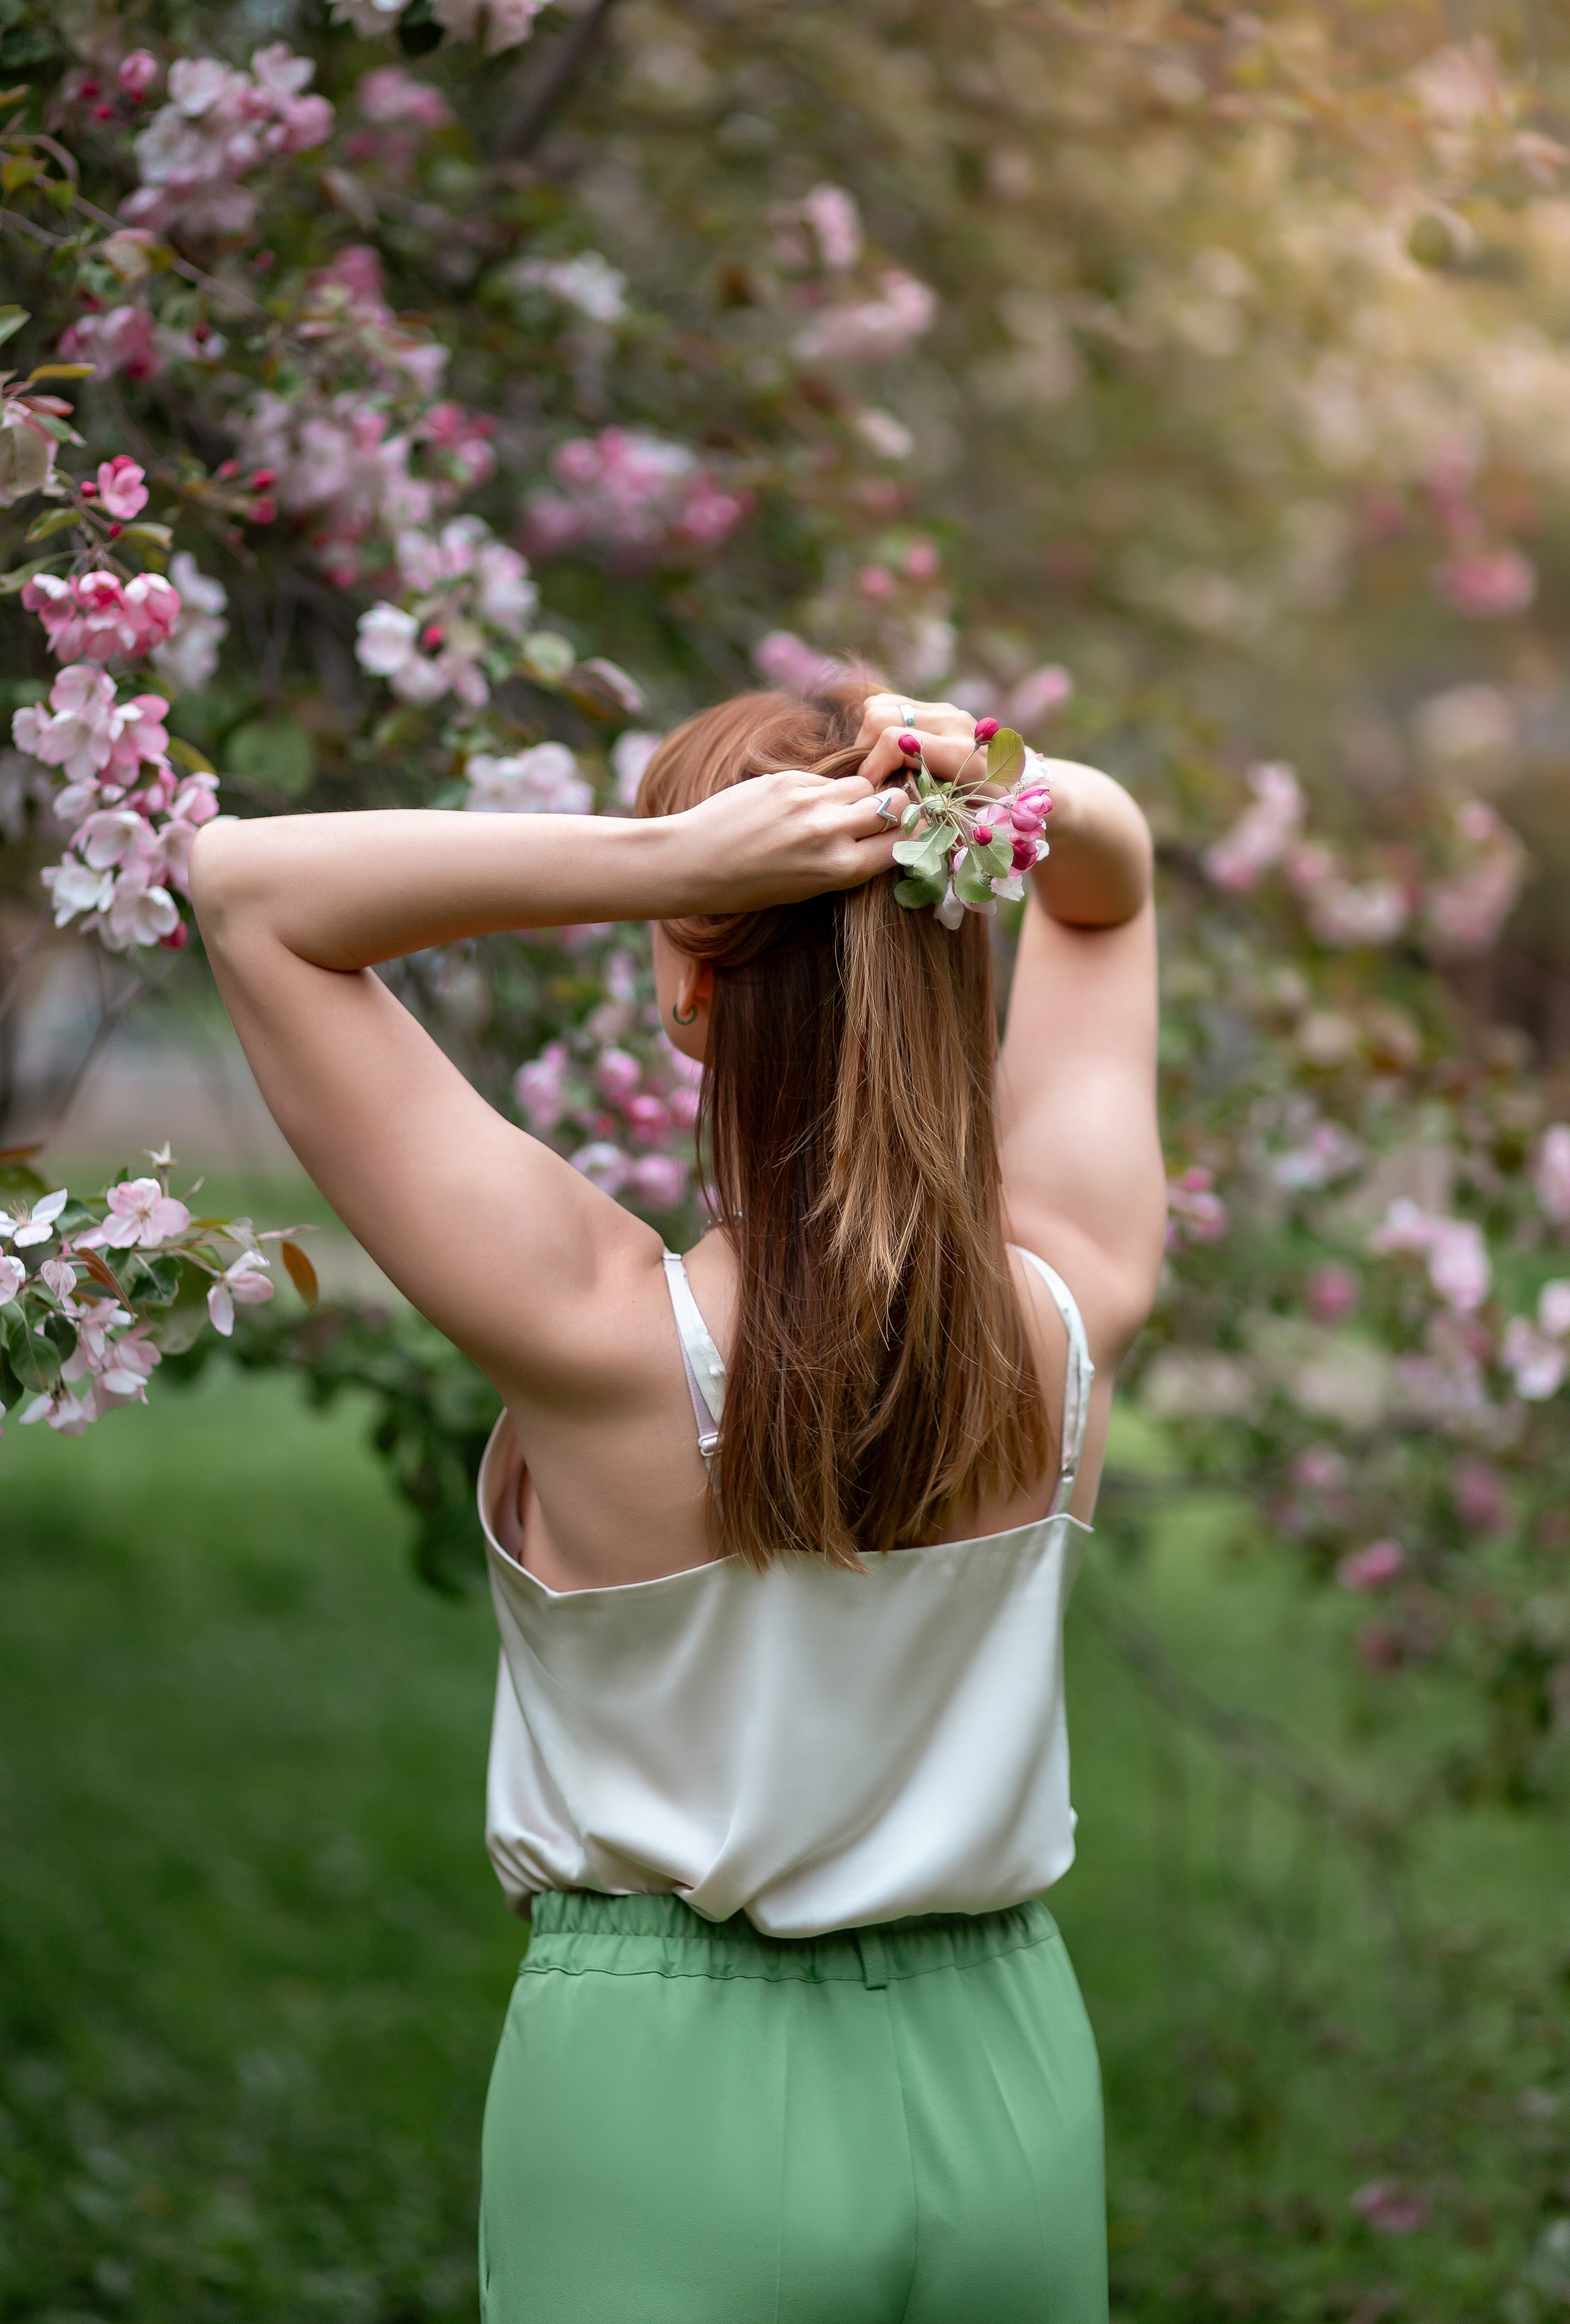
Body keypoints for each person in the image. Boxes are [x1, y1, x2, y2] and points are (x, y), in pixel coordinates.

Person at [190, 678, 1165, 2324]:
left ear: (694, 987)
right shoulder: (1072, 1298)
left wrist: (667, 863)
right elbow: (1113, 882)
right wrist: (992, 780)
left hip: (676, 2093)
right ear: (951, 940)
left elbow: (248, 892)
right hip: (1012, 2074)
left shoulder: (601, 1333)